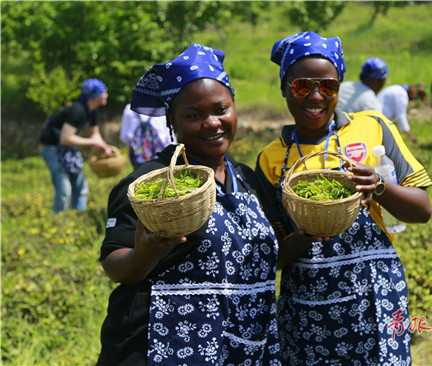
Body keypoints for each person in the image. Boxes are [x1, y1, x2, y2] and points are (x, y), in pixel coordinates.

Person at [96, 44, 281, 365]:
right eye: (194, 115)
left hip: (244, 347)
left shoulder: (247, 178)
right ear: (172, 122)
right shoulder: (150, 183)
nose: (212, 123)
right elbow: (114, 264)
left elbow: (263, 257)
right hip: (166, 347)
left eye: (221, 109)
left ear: (235, 109)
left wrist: (309, 235)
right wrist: (145, 253)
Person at [255, 31, 432, 365]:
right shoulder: (271, 158)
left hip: (375, 298)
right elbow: (275, 256)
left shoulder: (373, 128)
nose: (316, 96)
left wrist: (380, 186)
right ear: (284, 89)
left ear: (340, 88)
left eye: (329, 86)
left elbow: (422, 210)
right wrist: (306, 233)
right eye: (302, 86)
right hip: (307, 312)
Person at [38, 78, 111, 213]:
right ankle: (59, 221)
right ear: (95, 96)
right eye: (103, 92)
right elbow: (66, 138)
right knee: (64, 190)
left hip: (67, 149)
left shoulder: (92, 110)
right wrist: (94, 143)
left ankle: (78, 217)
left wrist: (104, 148)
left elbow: (94, 134)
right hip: (51, 148)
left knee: (81, 187)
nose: (106, 94)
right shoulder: (77, 110)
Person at [119, 103, 175, 168]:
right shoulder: (163, 108)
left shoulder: (129, 108)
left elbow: (124, 137)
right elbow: (170, 140)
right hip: (160, 160)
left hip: (138, 161)